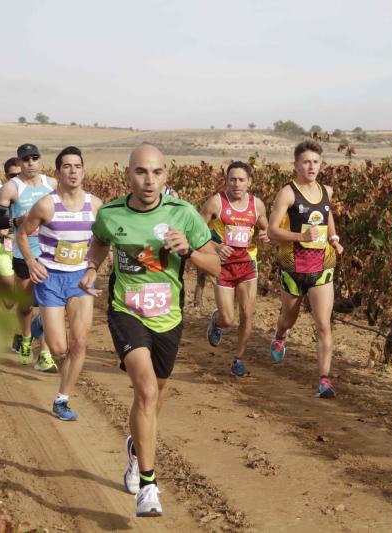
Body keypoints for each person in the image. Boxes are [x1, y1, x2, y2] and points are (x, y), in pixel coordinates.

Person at [79, 144, 219, 517]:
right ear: (128, 175)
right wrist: (92, 270)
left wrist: (188, 250)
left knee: (154, 398)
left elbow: (217, 266)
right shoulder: (110, 213)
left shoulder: (185, 214)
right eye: (141, 172)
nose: (149, 180)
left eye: (156, 172)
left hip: (169, 317)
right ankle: (148, 484)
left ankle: (134, 451)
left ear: (166, 176)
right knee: (144, 390)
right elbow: (99, 244)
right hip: (127, 311)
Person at [17, 146, 102, 420]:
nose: (73, 171)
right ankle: (41, 321)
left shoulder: (95, 205)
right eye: (67, 166)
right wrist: (31, 261)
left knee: (79, 341)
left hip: (79, 281)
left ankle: (62, 399)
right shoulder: (46, 204)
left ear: (84, 171)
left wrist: (93, 267)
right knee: (59, 349)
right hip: (50, 279)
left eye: (77, 166)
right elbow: (21, 234)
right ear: (57, 172)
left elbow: (103, 240)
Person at [267, 140, 344, 399]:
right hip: (293, 267)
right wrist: (300, 237)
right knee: (289, 318)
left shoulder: (327, 191)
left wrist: (334, 238)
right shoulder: (287, 193)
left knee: (323, 324)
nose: (311, 167)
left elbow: (327, 215)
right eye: (306, 162)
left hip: (323, 266)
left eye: (316, 162)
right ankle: (280, 334)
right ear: (296, 165)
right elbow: (272, 230)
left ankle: (324, 379)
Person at [0, 144, 56, 371]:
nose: (31, 163)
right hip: (24, 254)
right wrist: (15, 222)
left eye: (35, 158)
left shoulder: (52, 184)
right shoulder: (11, 188)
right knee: (26, 306)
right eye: (26, 159)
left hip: (50, 254)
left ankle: (45, 354)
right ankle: (26, 338)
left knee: (49, 305)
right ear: (19, 162)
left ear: (40, 160)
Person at [201, 161, 269, 377]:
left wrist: (267, 236)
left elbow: (266, 229)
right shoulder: (216, 203)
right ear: (226, 181)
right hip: (222, 266)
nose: (236, 184)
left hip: (247, 265)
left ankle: (238, 360)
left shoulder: (257, 205)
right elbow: (196, 233)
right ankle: (216, 322)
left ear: (249, 182)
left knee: (247, 315)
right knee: (228, 319)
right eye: (232, 179)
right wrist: (216, 246)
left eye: (241, 179)